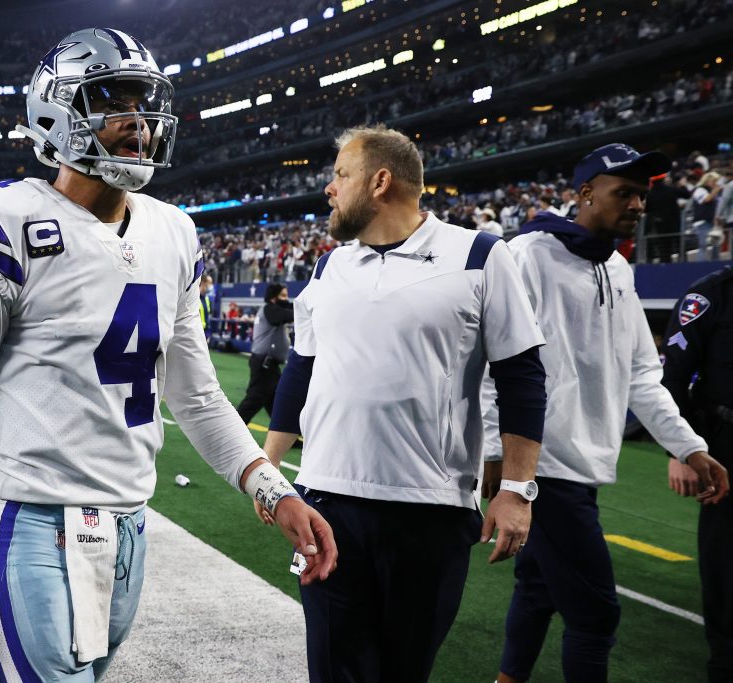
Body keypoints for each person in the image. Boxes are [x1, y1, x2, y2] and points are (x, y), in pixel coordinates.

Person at [0, 28, 337, 680]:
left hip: (130, 527)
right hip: (28, 521)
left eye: (146, 103)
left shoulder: (174, 231)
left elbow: (196, 394)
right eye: (114, 101)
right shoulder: (3, 220)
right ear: (58, 110)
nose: (140, 122)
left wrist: (274, 490)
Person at [258, 124, 548, 682]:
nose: (329, 188)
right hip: (326, 500)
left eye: (341, 174)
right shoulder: (330, 266)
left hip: (429, 509)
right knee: (333, 669)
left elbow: (522, 376)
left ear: (380, 181)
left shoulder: (481, 255)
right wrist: (268, 468)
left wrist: (516, 490)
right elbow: (302, 368)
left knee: (403, 671)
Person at [484, 143, 730, 683]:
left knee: (539, 589)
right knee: (596, 615)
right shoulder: (527, 254)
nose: (639, 205)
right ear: (585, 193)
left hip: (584, 464)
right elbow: (491, 362)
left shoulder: (617, 267)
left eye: (643, 195)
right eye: (625, 193)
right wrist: (496, 456)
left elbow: (643, 372)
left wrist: (688, 446)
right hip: (543, 467)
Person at [661, 267, 733, 682]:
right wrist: (681, 451)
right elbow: (672, 379)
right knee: (725, 566)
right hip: (726, 448)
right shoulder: (708, 297)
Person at [236, 283, 293, 424]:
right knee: (253, 400)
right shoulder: (270, 309)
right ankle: (231, 432)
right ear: (274, 298)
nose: (286, 299)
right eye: (283, 296)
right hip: (264, 364)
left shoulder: (271, 309)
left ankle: (284, 432)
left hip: (268, 364)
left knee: (277, 403)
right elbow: (287, 314)